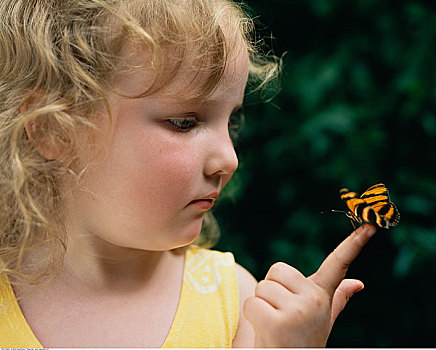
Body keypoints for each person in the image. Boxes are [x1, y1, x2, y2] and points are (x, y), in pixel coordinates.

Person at [0, 0, 377, 347]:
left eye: (232, 122)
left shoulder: (237, 304)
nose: (229, 159)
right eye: (184, 122)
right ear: (55, 129)